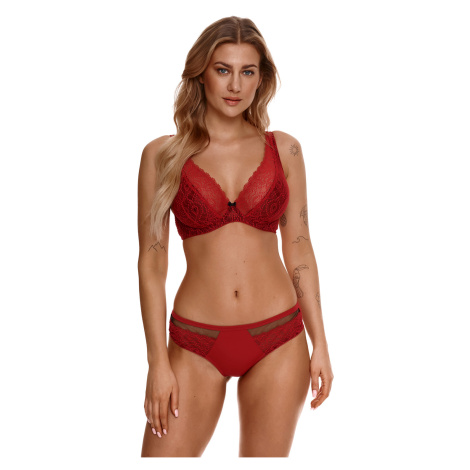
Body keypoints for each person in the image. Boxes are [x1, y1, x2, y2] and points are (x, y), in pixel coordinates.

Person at [137, 16, 333, 457]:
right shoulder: (162, 155)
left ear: (261, 79)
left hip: (279, 337)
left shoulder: (285, 149)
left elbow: (299, 248)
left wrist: (320, 341)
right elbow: (151, 263)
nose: (235, 85)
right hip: (195, 342)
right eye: (223, 69)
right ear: (201, 73)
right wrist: (157, 363)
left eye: (248, 72)